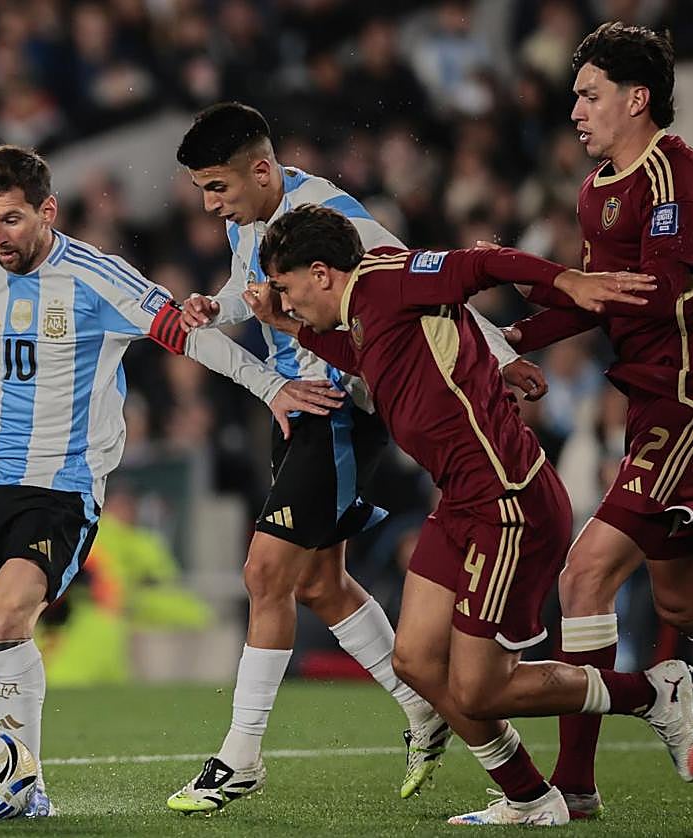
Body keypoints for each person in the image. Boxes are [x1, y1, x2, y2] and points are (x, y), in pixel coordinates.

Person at [0, 144, 340, 818]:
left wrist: (271, 386)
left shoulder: (98, 277)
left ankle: (28, 786)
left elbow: (186, 336)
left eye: (13, 220)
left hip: (61, 492)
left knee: (3, 619)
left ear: (47, 211)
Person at [245, 202, 693, 827]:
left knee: (479, 687)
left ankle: (654, 692)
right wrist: (289, 326)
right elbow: (364, 352)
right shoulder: (359, 313)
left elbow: (484, 262)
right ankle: (529, 797)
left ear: (322, 272)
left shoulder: (391, 279)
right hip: (462, 502)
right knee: (414, 663)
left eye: (286, 287)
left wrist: (567, 281)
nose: (285, 300)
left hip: (508, 502)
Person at [168, 102, 548, 811]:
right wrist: (216, 309)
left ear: (261, 169)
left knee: (264, 573)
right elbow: (253, 290)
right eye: (203, 193)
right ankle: (423, 708)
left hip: (338, 404)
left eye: (217, 188)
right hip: (302, 404)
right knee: (318, 585)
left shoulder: (335, 216)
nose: (212, 205)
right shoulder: (251, 218)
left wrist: (497, 355)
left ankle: (241, 755)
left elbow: (424, 283)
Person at [500, 22, 693, 819]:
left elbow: (648, 290)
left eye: (589, 93)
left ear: (637, 99)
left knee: (583, 574)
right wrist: (509, 338)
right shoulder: (599, 185)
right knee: (687, 609)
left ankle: (574, 787)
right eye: (575, 94)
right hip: (652, 405)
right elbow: (600, 293)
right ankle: (657, 691)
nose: (575, 108)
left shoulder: (678, 181)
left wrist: (540, 282)